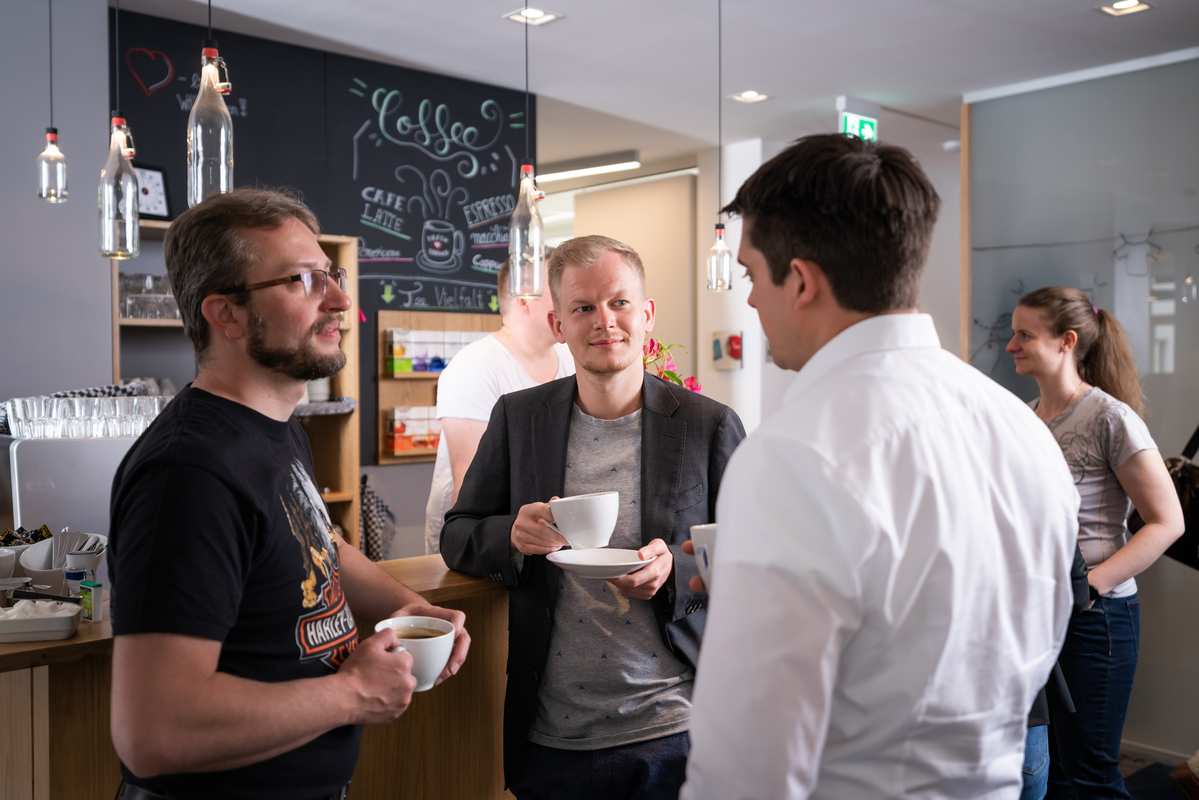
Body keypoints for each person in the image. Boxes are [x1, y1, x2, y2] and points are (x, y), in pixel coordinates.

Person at [680, 133, 1081, 800]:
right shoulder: (1022, 429)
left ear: (801, 280)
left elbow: (745, 772)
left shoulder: (793, 454)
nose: (749, 303)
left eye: (752, 275)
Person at [108, 188, 471, 800]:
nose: (340, 300)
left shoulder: (277, 428)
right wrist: (352, 693)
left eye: (331, 274)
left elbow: (311, 539)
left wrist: (404, 603)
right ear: (225, 314)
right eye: (304, 281)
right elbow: (153, 732)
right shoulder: (188, 473)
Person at [440, 235, 746, 798]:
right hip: (552, 735)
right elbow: (457, 534)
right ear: (558, 324)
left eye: (619, 302)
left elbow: (750, 564)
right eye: (583, 308)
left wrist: (673, 568)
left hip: (677, 728)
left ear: (647, 313)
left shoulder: (709, 425)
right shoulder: (519, 417)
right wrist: (510, 533)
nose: (604, 321)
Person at [1007, 286, 1184, 798]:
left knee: (1089, 778)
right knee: (1055, 769)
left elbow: (1166, 522)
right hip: (1041, 610)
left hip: (1095, 618)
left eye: (1024, 335)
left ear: (1066, 341)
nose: (1011, 345)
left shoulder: (1110, 418)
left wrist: (1090, 587)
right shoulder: (1026, 415)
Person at [424, 255, 574, 554]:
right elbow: (467, 487)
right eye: (555, 288)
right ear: (523, 300)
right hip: (483, 545)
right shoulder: (475, 365)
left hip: (548, 539)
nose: (567, 297)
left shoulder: (570, 360)